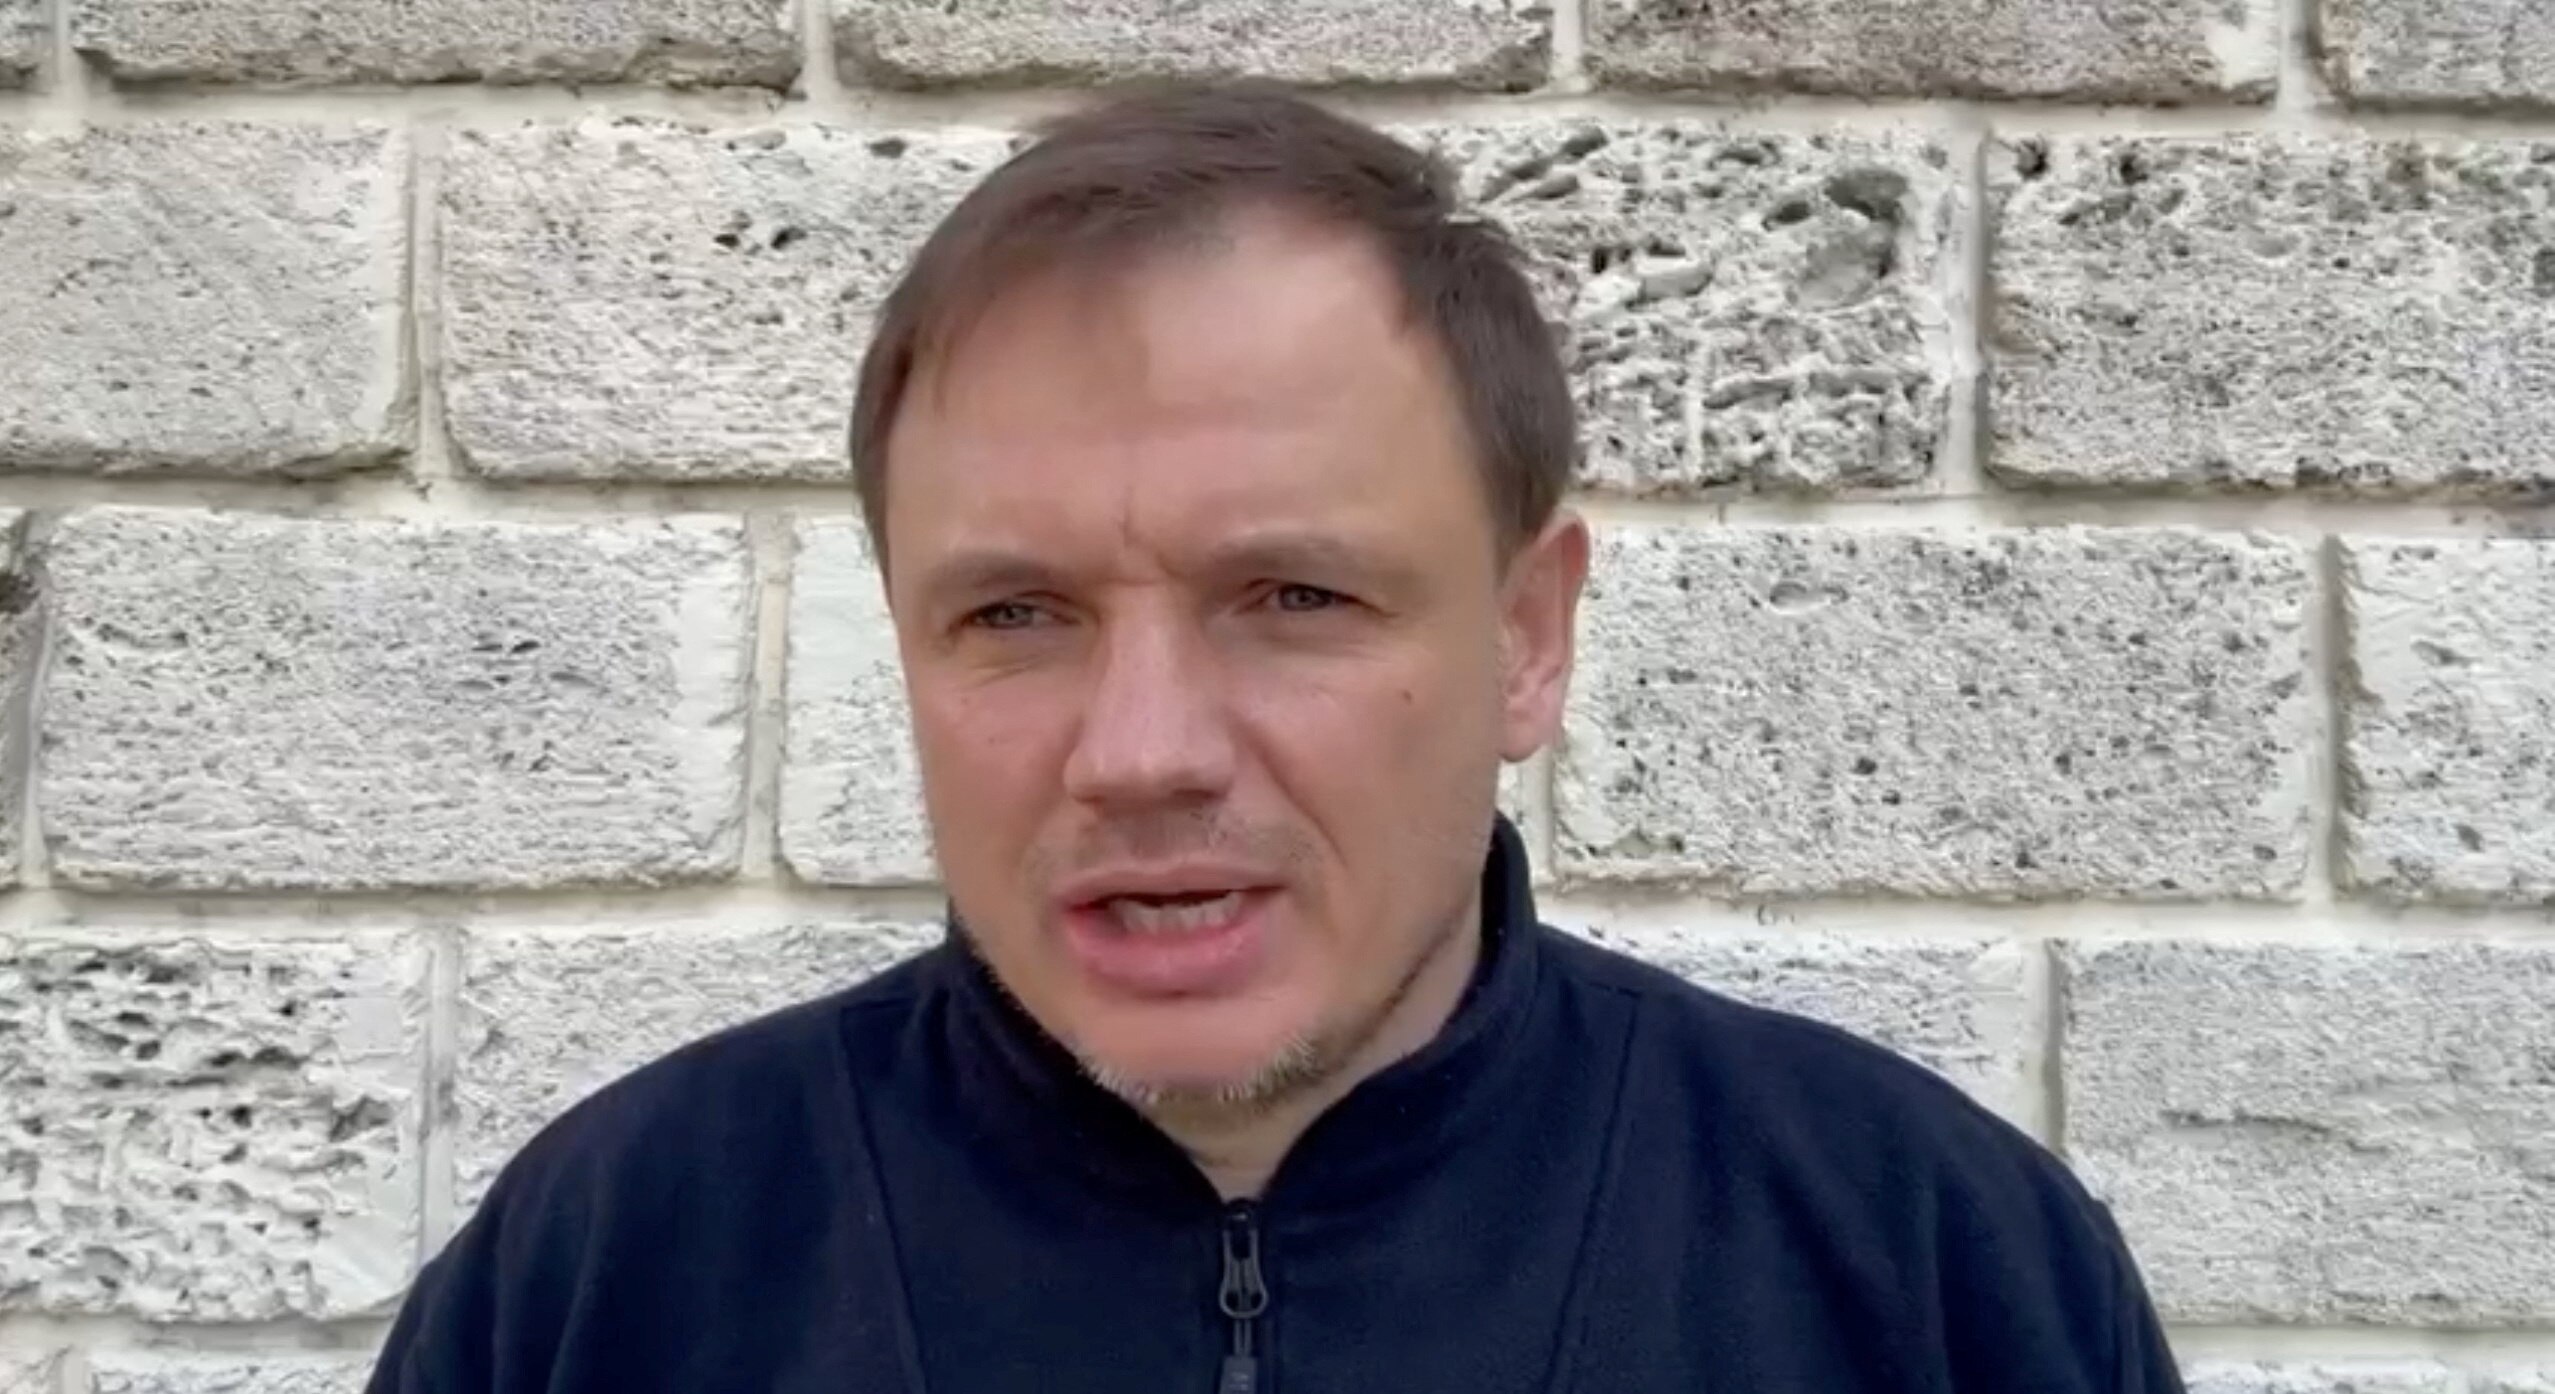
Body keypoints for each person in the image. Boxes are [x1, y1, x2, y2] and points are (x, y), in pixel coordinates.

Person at [366, 83, 2183, 1393]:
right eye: (1016, 615)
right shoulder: (607, 1283)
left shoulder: (1934, 1274)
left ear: (1527, 638)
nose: (1140, 751)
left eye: (1293, 596)